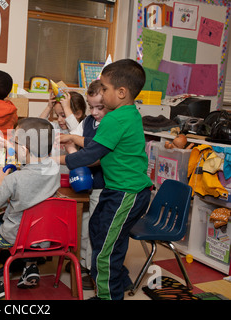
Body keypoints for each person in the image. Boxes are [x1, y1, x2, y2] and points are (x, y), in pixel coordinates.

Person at [59, 59, 152, 300]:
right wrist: (73, 142)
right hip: (121, 190)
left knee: (104, 252)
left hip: (126, 193)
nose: (103, 93)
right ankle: (112, 289)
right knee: (101, 233)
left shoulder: (115, 118)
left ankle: (108, 296)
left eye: (105, 89)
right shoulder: (128, 114)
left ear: (121, 92)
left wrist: (52, 161)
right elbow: (98, 145)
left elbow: (92, 155)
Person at [0, 117, 60, 300]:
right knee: (29, 223)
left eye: (15, 142)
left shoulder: (15, 179)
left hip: (14, 237)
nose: (12, 144)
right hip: (43, 238)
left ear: (24, 150)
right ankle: (31, 267)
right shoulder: (54, 170)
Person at [58, 79, 109, 290]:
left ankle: (90, 269)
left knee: (94, 227)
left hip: (100, 184)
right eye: (92, 107)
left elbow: (92, 155)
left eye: (100, 107)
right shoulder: (88, 122)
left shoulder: (109, 125)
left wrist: (68, 152)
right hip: (86, 183)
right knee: (84, 224)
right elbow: (74, 132)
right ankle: (83, 264)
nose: (95, 112)